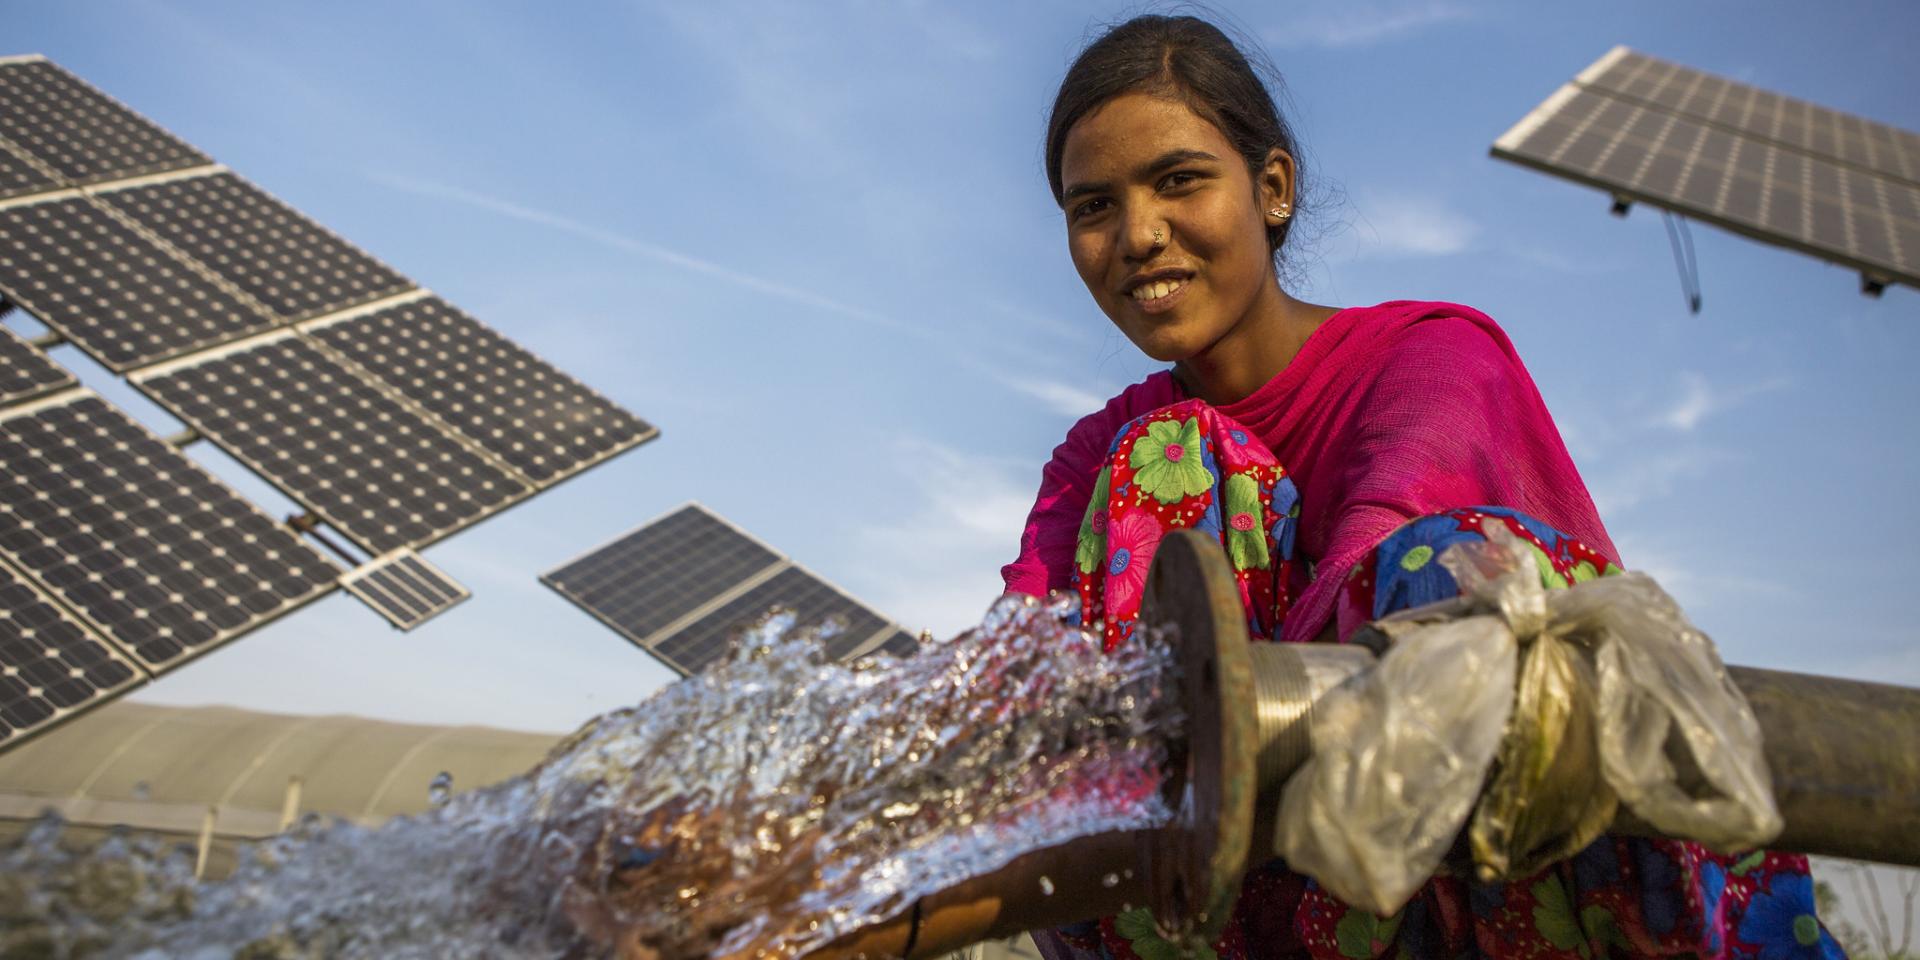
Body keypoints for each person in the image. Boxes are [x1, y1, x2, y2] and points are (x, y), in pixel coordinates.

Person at [1001, 15, 1842, 960]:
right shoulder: (1097, 457)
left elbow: (1399, 571)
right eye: (1093, 207)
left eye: (1180, 180)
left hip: (1489, 869)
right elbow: (1022, 677)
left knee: (1440, 571)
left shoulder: (1433, 360)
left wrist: (1223, 708)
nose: (1139, 235)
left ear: (1271, 187)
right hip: (1241, 901)